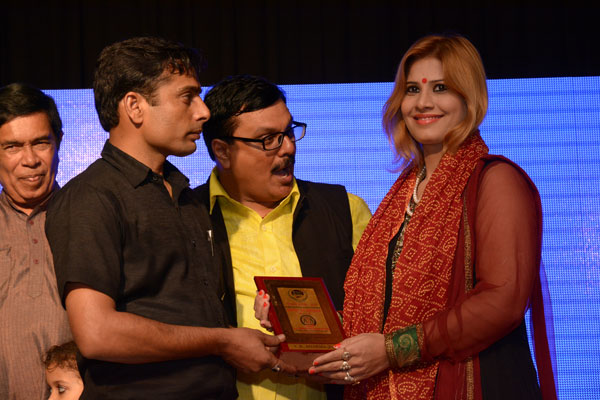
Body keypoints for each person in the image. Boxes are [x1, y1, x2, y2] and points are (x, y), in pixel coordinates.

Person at [309, 34, 557, 399]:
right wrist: (303, 326)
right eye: (412, 89)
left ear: (469, 97)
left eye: (440, 88)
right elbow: (382, 310)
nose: (423, 102)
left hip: (472, 382)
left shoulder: (495, 180)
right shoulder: (402, 192)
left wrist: (392, 350)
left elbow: (502, 301)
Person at [45, 37, 293, 399]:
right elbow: (97, 333)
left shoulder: (186, 196)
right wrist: (223, 341)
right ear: (135, 106)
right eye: (187, 97)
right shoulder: (92, 197)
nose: (203, 112)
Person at [195, 74, 372, 400]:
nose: (288, 147)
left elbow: (385, 316)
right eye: (268, 139)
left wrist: (329, 326)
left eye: (289, 132)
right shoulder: (187, 218)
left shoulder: (345, 210)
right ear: (222, 151)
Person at [0, 83, 72, 400]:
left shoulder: (90, 220)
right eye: (12, 147)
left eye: (41, 143)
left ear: (59, 142)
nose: (30, 160)